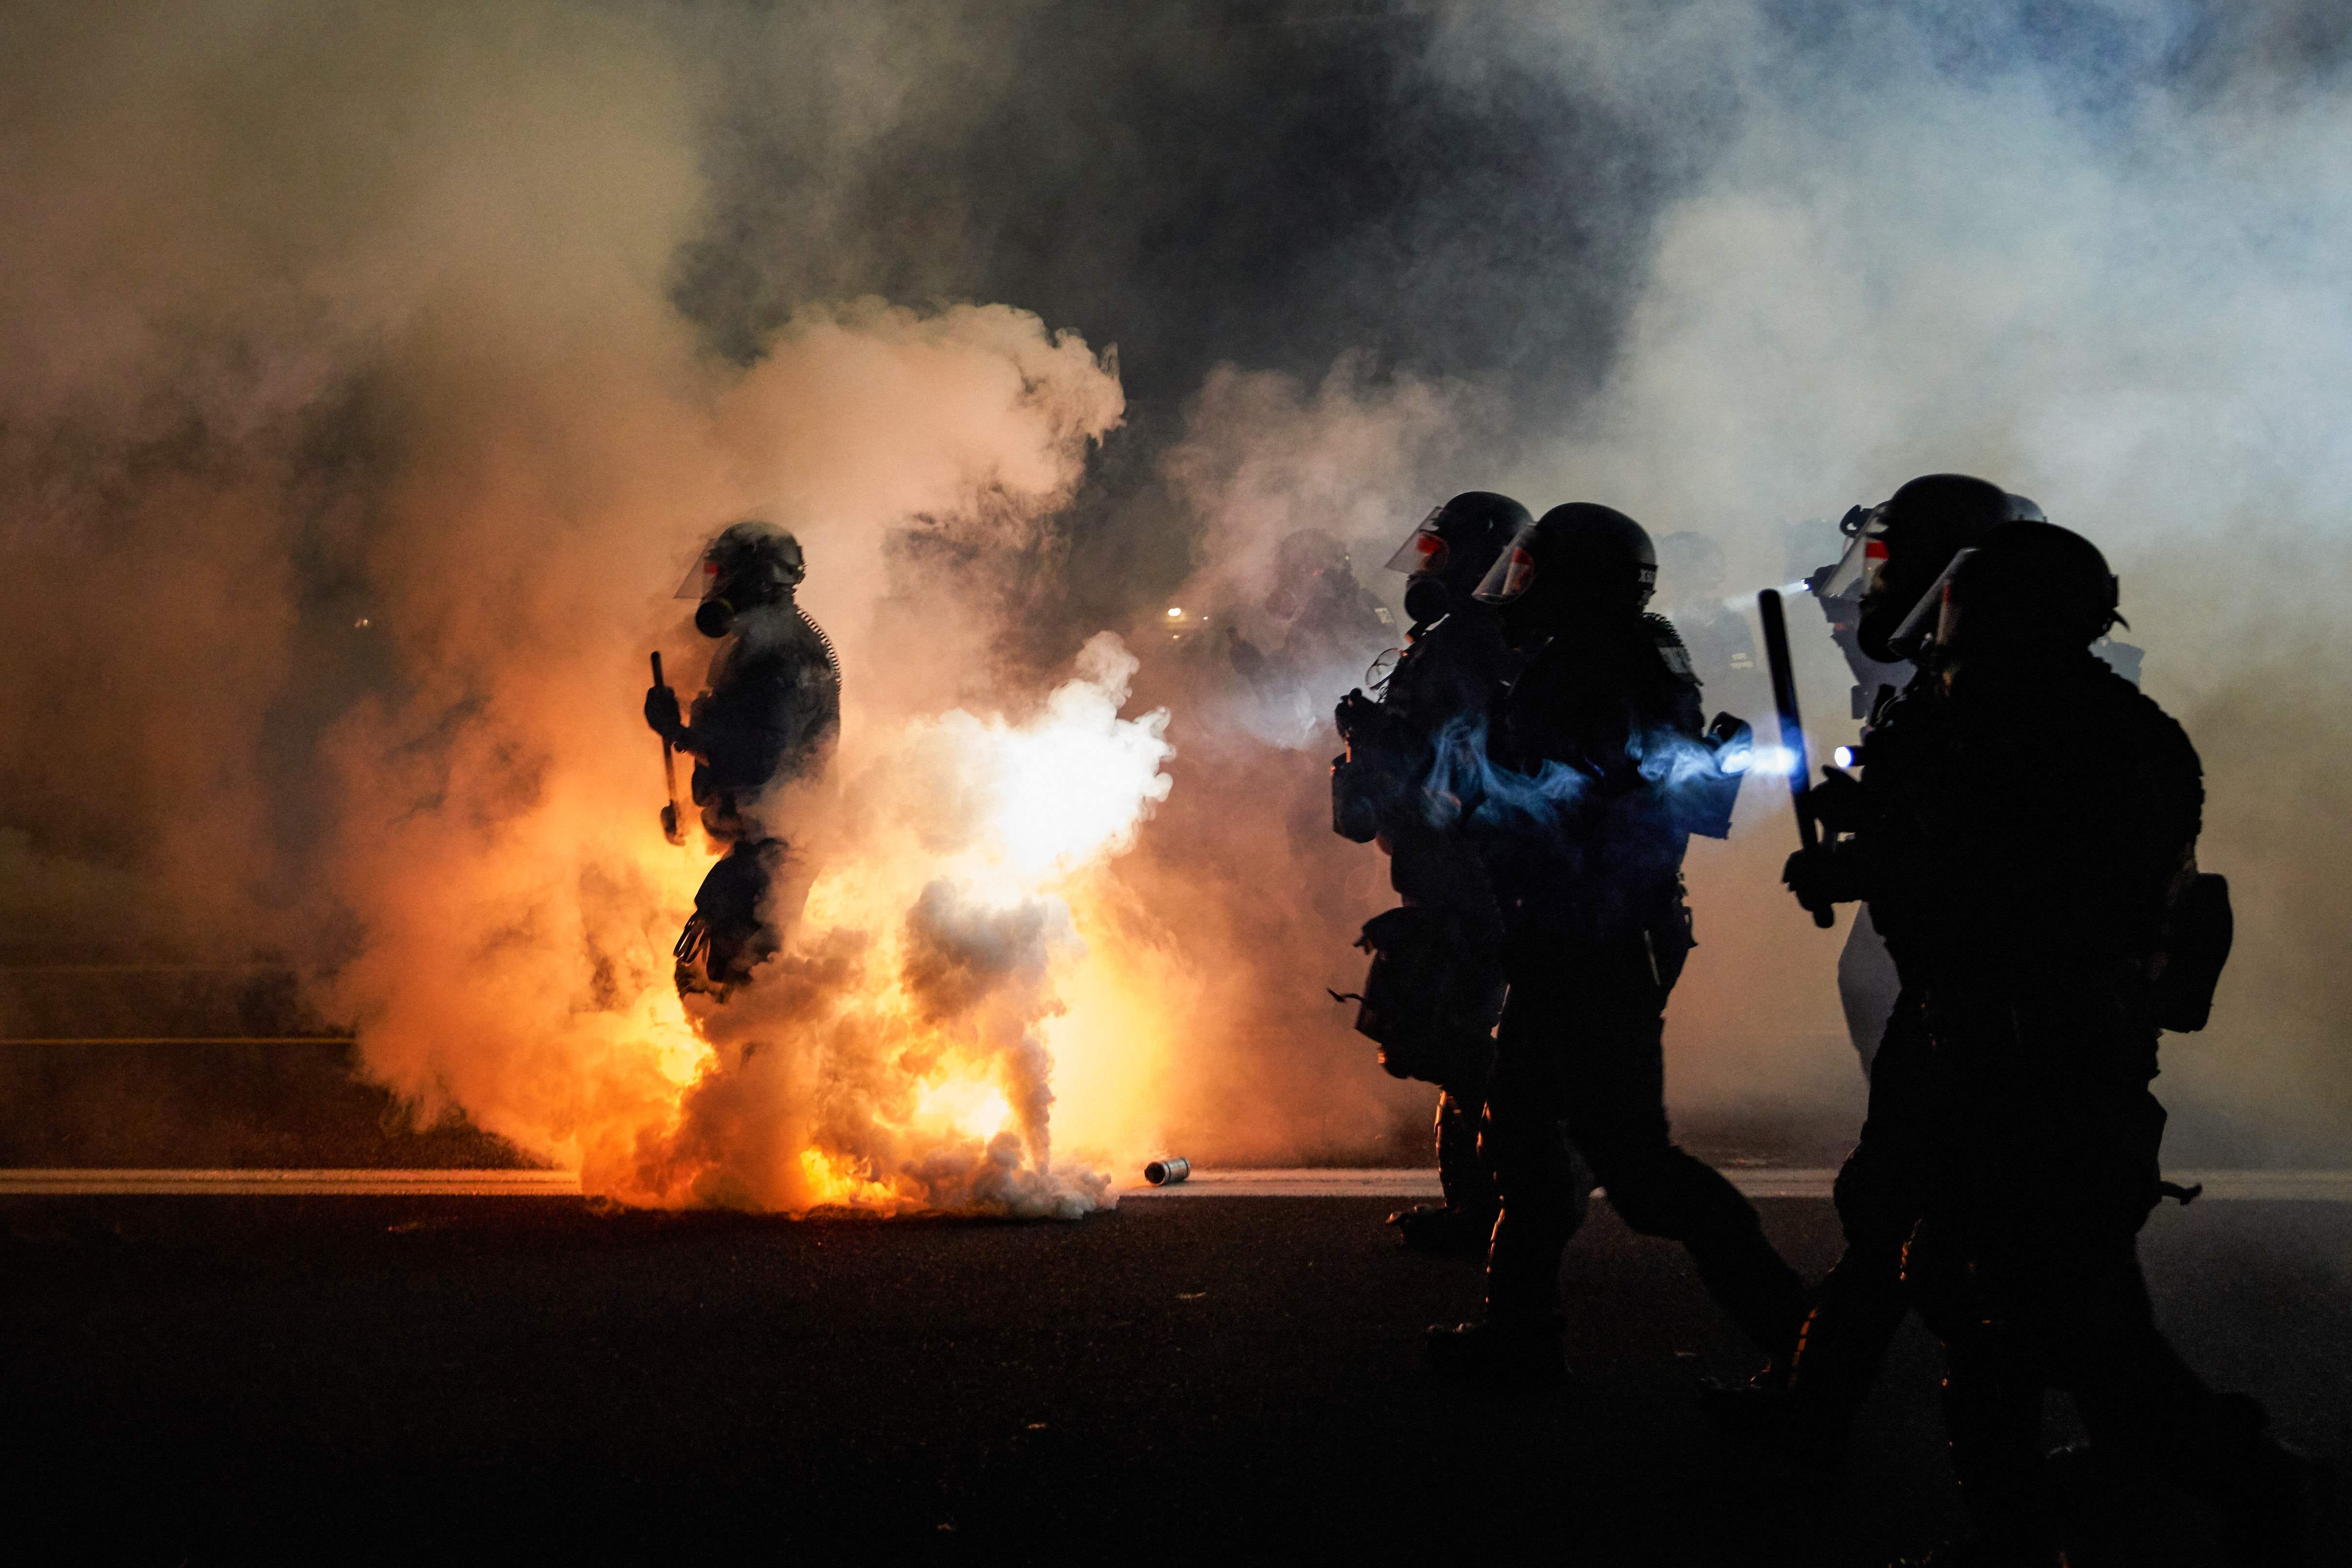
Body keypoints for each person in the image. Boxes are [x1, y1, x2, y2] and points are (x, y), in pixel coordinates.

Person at [1785, 522, 2318, 1564]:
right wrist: (1876, 821)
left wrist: (1879, 863)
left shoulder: (2095, 742)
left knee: (2038, 1316)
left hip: (2052, 1062)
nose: (1945, 625)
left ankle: (2246, 1479)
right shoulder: (2012, 721)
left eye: (1966, 605)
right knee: (2004, 1303)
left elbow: (2025, 898)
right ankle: (2082, 1512)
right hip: (1986, 1048)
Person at [1423, 502, 1793, 1386]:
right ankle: (1519, 1334)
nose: (1515, 592)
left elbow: (1588, 805)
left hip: (1596, 938)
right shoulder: (1613, 659)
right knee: (1518, 1134)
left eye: (1532, 573)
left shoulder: (1594, 671)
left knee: (1635, 1167)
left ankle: (1801, 1331)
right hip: (1566, 932)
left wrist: (1480, 793)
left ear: (1574, 585)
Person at [1333, 491, 1531, 1255]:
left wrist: (1377, 745)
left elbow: (1463, 761)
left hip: (1468, 873)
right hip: (1444, 868)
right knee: (1445, 1034)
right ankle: (1477, 1205)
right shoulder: (1460, 640)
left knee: (1440, 1038)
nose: (1426, 573)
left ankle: (1508, 1188)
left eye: (1440, 557)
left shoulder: (1477, 647)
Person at [645, 520, 841, 999]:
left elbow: (756, 761)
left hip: (777, 857)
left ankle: (760, 1071)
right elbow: (732, 746)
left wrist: (676, 732)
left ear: (755, 581)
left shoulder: (786, 659)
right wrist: (693, 810)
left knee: (738, 996)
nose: (714, 586)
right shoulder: (753, 651)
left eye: (722, 573)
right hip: (759, 850)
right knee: (709, 983)